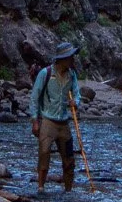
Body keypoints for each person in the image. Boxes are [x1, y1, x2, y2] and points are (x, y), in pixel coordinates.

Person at [29, 42, 82, 191]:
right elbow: (34, 97)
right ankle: (41, 186)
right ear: (63, 59)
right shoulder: (45, 74)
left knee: (69, 158)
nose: (73, 60)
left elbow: (77, 94)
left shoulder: (72, 75)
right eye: (71, 57)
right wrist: (35, 121)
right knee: (44, 152)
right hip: (47, 121)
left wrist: (75, 102)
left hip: (64, 122)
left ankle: (68, 188)